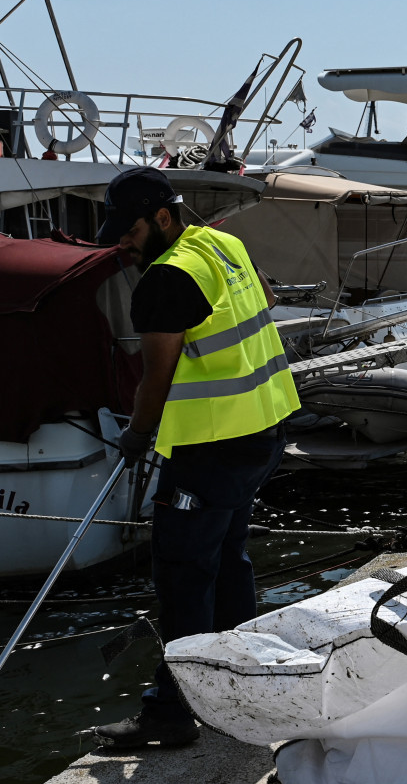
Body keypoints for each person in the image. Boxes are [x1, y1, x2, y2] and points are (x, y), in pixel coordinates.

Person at [91, 167, 301, 748]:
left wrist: (136, 434)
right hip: (265, 428)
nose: (121, 241)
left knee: (184, 574)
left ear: (162, 217)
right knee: (228, 562)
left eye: (129, 230)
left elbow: (156, 376)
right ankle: (237, 687)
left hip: (211, 448)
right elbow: (268, 298)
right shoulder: (221, 243)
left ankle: (172, 712)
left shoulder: (164, 281)